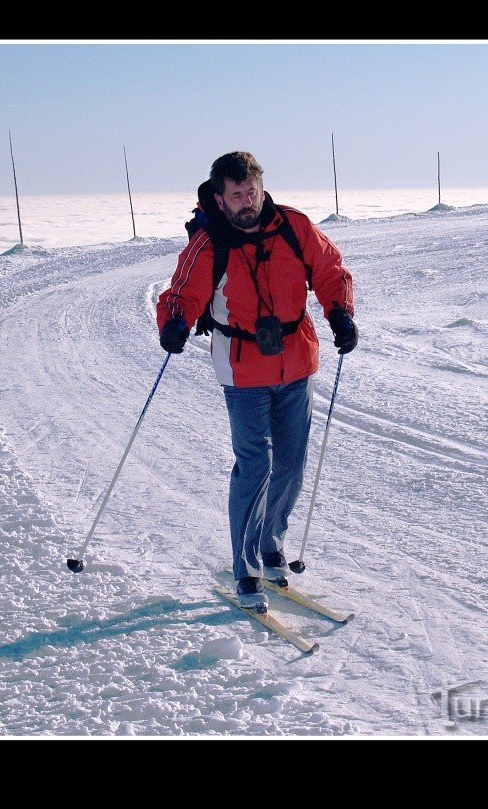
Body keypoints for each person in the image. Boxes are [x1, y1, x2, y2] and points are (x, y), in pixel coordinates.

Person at [156, 151, 357, 610]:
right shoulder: (209, 243)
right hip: (242, 366)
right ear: (221, 200)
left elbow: (330, 270)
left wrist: (340, 312)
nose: (247, 201)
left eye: (252, 191)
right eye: (236, 195)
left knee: (290, 463)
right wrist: (174, 322)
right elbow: (182, 291)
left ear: (262, 188)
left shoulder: (293, 226)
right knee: (255, 465)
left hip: (297, 360)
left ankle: (271, 546)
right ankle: (244, 565)